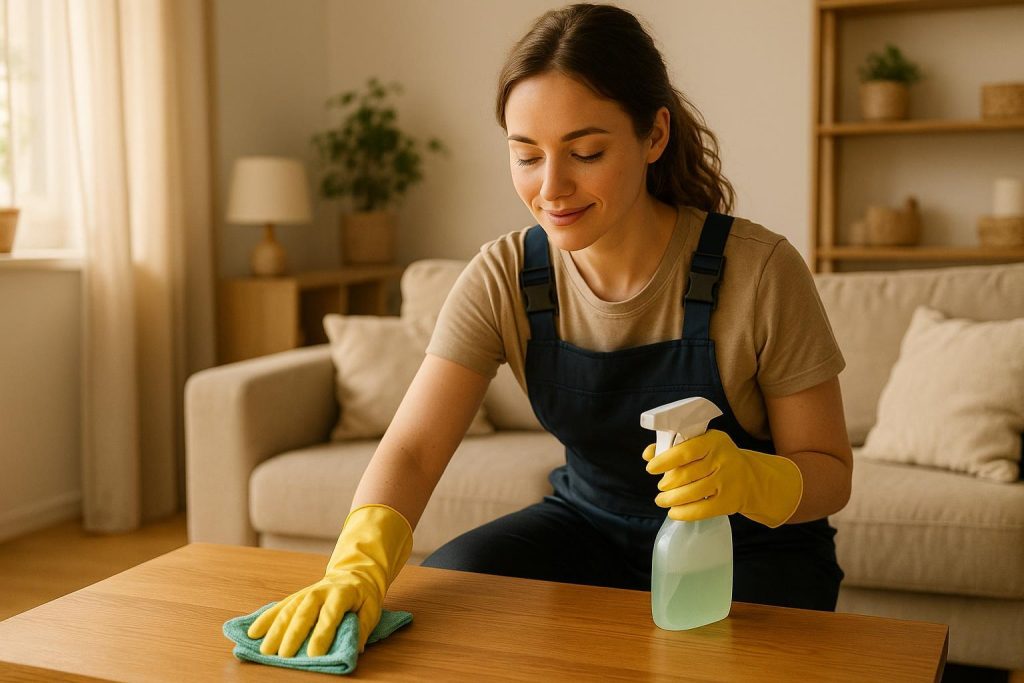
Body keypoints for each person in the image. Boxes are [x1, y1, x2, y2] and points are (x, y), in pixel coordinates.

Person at [246, 3, 853, 658]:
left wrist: (750, 479)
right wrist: (355, 567)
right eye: (527, 155)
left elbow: (830, 472)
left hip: (748, 547)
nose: (553, 187)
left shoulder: (759, 271)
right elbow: (415, 449)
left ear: (654, 136)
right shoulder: (506, 275)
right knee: (440, 613)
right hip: (587, 528)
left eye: (586, 152)